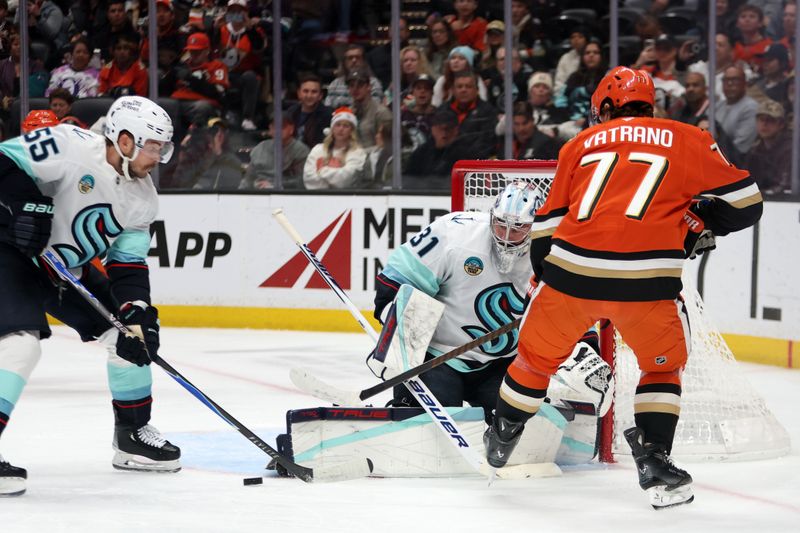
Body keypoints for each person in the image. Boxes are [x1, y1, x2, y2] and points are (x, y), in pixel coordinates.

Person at [483, 66, 763, 510]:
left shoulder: (578, 144)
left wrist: (546, 281)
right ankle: (653, 459)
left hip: (570, 276)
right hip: (647, 286)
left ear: (608, 107)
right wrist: (697, 220)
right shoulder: (689, 137)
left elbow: (546, 230)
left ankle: (502, 436)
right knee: (662, 369)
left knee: (535, 361)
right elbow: (747, 205)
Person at [0, 96, 182, 497]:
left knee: (129, 336)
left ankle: (132, 435)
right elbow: (4, 161)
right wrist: (23, 207)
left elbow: (127, 264)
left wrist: (137, 310)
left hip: (62, 270)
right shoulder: (69, 144)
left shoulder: (143, 198)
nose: (158, 157)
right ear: (125, 140)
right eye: (153, 147)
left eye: (162, 148)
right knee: (20, 345)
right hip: (10, 252)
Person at [372, 182, 598, 419]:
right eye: (501, 224)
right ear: (491, 216)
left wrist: (586, 351)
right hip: (436, 357)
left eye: (518, 228)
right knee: (428, 419)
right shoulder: (455, 233)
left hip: (503, 363)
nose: (506, 236)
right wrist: (395, 331)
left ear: (535, 227)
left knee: (517, 420)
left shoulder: (553, 253)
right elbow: (399, 277)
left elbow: (573, 313)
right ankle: (409, 405)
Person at [171, 32, 229, 126]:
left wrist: (191, 79)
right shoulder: (183, 65)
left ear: (207, 51)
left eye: (198, 52)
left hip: (203, 102)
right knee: (163, 103)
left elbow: (219, 93)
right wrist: (172, 72)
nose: (194, 55)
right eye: (192, 51)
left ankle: (195, 134)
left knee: (202, 107)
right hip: (179, 100)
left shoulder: (217, 66)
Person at [303, 106, 366, 189]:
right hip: (317, 196)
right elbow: (309, 178)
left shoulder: (357, 152)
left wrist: (322, 170)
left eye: (346, 126)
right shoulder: (318, 149)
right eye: (338, 125)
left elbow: (346, 180)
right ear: (332, 128)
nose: (341, 129)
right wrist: (335, 174)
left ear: (351, 131)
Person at [240, 116, 310, 190]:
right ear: (270, 128)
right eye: (275, 127)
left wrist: (273, 185)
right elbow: (249, 178)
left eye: (282, 127)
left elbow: (301, 181)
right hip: (257, 191)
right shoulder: (260, 148)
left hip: (285, 193)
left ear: (291, 129)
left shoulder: (301, 150)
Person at [745, 98, 792, 195]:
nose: (764, 124)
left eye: (770, 120)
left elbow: (785, 187)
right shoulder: (755, 150)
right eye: (761, 119)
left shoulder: (790, 150)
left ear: (781, 124)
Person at [346, 68, 391, 149]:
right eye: (351, 85)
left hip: (375, 155)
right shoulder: (347, 113)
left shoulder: (381, 112)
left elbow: (388, 145)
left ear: (369, 87)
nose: (355, 89)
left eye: (360, 85)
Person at [286, 74, 332, 150]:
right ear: (299, 93)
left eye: (314, 92)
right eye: (305, 91)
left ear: (320, 95)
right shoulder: (291, 112)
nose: (309, 95)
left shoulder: (328, 115)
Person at [98, 33, 148, 97]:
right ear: (113, 51)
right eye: (118, 48)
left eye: (126, 48)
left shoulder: (140, 70)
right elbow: (101, 95)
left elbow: (140, 97)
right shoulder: (106, 70)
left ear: (131, 51)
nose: (122, 52)